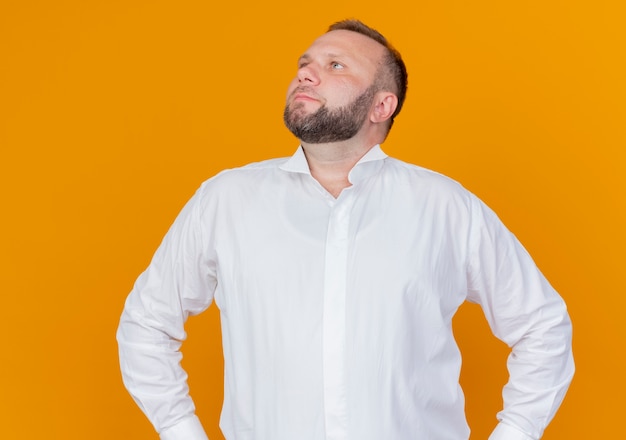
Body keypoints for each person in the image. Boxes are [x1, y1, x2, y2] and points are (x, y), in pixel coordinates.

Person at [117, 19, 574, 440]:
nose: (307, 74)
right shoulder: (225, 201)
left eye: (334, 65)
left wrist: (515, 432)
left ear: (381, 104)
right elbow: (147, 323)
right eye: (305, 64)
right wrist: (180, 430)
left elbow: (543, 327)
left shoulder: (445, 207)